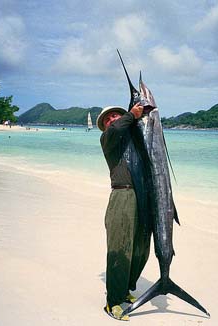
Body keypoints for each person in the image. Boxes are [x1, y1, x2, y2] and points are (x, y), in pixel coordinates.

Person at [97, 103, 151, 321]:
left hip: (142, 198)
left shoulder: (133, 140)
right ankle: (113, 302)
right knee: (120, 249)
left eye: (115, 115)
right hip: (122, 196)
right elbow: (118, 129)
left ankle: (126, 289)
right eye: (107, 119)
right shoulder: (108, 139)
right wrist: (131, 115)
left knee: (140, 248)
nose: (112, 119)